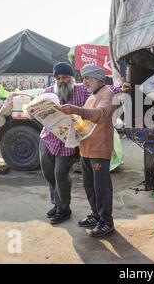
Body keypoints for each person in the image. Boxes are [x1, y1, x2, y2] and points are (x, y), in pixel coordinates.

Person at [57, 64, 117, 237]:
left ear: (99, 78)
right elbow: (86, 121)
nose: (85, 82)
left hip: (99, 149)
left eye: (88, 78)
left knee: (101, 187)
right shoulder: (92, 96)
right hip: (86, 148)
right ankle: (96, 215)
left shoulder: (107, 93)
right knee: (89, 186)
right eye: (83, 78)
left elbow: (102, 114)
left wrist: (77, 110)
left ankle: (106, 221)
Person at [39, 62, 91, 225]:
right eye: (59, 78)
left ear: (72, 78)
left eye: (65, 77)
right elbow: (34, 107)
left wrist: (121, 87)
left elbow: (103, 90)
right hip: (47, 139)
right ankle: (56, 203)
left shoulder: (82, 90)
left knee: (60, 175)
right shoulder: (48, 92)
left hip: (67, 142)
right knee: (48, 174)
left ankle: (64, 209)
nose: (62, 81)